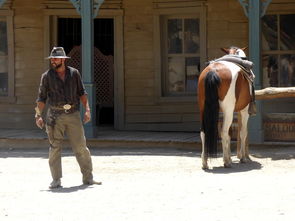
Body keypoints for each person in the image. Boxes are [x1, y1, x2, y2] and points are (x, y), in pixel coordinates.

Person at [35, 47, 101, 189]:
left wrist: (87, 110)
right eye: (52, 59)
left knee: (81, 147)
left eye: (56, 58)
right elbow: (41, 98)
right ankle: (56, 180)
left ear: (63, 60)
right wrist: (37, 114)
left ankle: (88, 178)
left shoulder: (74, 73)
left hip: (73, 114)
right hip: (54, 116)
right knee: (54, 148)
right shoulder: (46, 77)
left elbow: (82, 93)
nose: (53, 61)